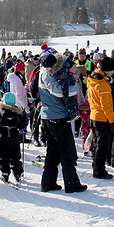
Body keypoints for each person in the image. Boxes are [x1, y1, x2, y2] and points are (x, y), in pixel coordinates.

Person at [37, 51, 87, 194]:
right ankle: (72, 184)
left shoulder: (45, 72)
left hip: (49, 117)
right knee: (67, 152)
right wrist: (75, 88)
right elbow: (58, 91)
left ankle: (48, 183)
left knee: (53, 152)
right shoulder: (47, 74)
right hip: (57, 117)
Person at [87, 56, 114, 179]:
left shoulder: (92, 79)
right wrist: (112, 120)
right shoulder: (102, 84)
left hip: (94, 115)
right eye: (112, 70)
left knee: (97, 145)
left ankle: (96, 167)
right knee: (102, 146)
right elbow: (106, 106)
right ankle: (99, 170)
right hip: (102, 118)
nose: (113, 72)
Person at [0, 92, 24, 183]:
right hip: (14, 137)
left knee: (3, 156)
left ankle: (5, 173)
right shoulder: (17, 113)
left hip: (2, 137)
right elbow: (22, 125)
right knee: (15, 155)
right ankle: (17, 173)